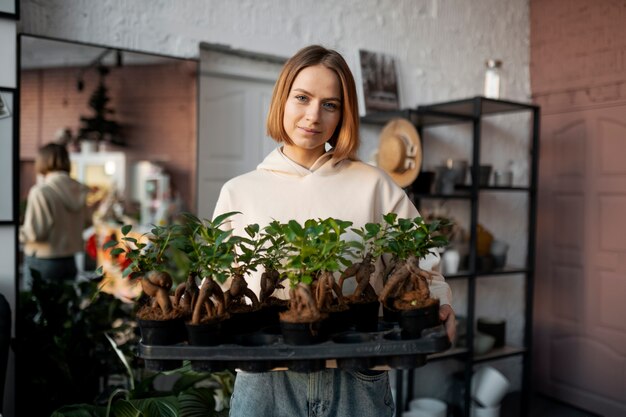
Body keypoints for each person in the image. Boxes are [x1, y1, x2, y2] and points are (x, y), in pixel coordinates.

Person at [213, 45, 456, 417]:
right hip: (266, 382)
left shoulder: (374, 185)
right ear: (282, 100)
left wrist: (442, 304)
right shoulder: (239, 191)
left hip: (357, 375)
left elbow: (421, 264)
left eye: (330, 104)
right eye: (302, 98)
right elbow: (218, 283)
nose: (313, 115)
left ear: (344, 114)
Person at [20, 142, 90, 282]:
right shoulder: (80, 190)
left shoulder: (40, 191)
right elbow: (87, 223)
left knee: (37, 304)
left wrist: (16, 233)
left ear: (42, 161)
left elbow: (36, 233)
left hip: (42, 261)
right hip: (69, 261)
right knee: (64, 303)